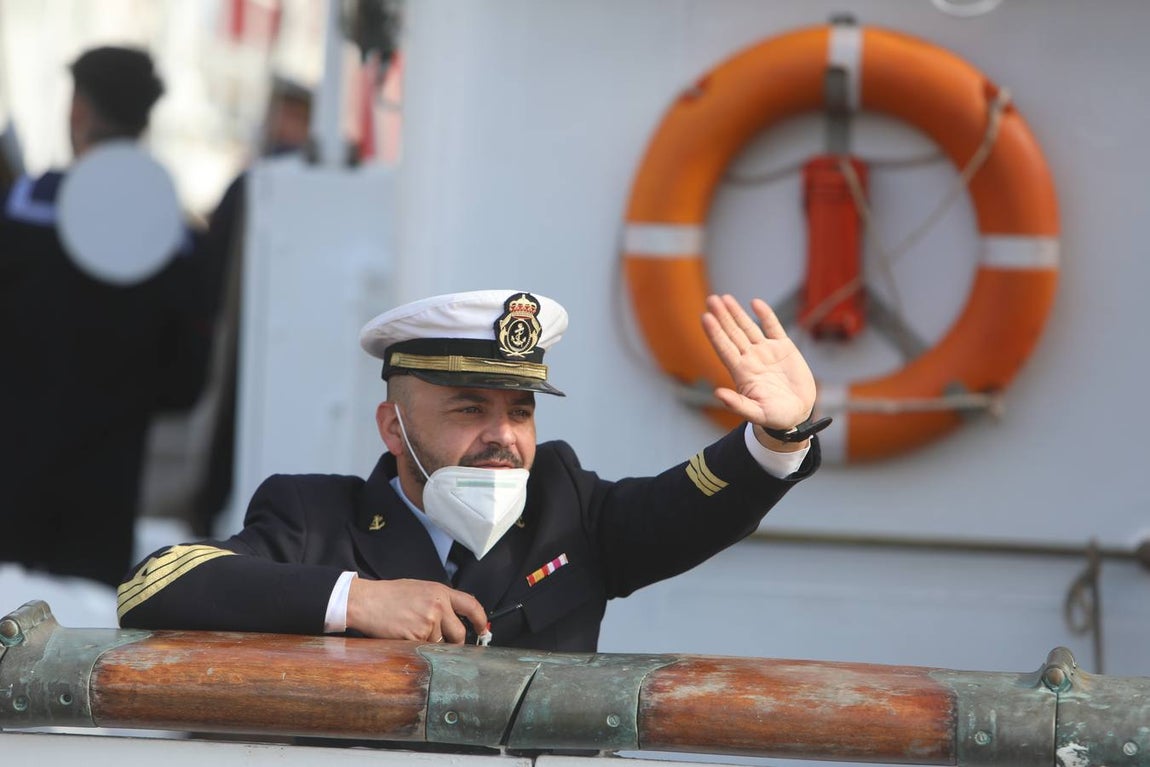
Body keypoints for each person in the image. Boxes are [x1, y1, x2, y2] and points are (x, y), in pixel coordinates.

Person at [118, 290, 824, 651]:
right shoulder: (314, 517)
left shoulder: (566, 504)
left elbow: (687, 506)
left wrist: (776, 435)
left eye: (520, 410)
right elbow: (154, 586)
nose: (504, 435)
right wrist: (360, 600)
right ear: (393, 426)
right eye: (468, 409)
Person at [0, 47, 213, 587]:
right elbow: (185, 383)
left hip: (13, 486)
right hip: (106, 498)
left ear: (79, 111)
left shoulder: (25, 208)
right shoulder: (176, 240)